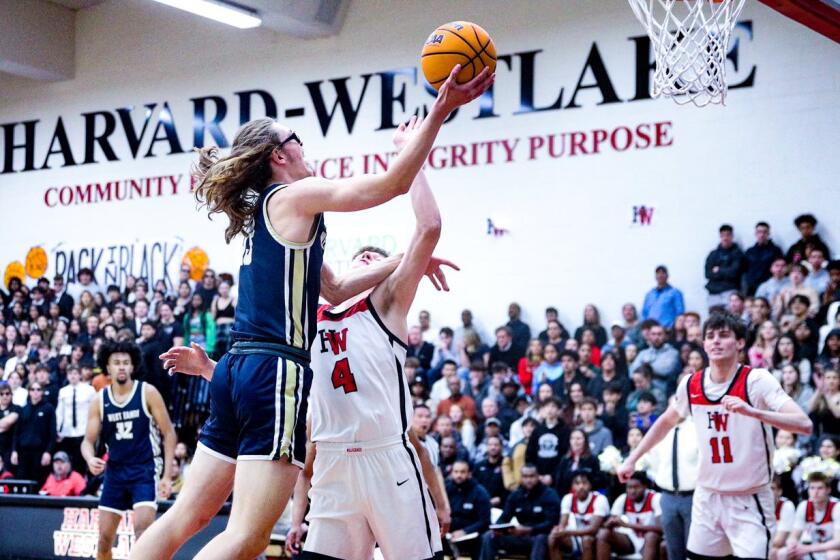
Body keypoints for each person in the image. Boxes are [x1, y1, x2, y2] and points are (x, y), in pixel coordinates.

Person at [133, 68, 492, 560]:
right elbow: (391, 184)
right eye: (296, 139)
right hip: (273, 370)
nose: (305, 146)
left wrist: (404, 261)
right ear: (280, 155)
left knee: (185, 517)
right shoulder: (295, 196)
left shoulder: (271, 214)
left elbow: (337, 286)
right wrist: (439, 111)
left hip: (238, 368)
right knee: (248, 536)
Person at [619, 312, 813, 559]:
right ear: (704, 344)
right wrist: (633, 458)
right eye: (710, 337)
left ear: (740, 343)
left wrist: (753, 412)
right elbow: (666, 421)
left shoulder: (757, 380)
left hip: (749, 497)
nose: (716, 341)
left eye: (724, 335)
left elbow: (804, 424)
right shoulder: (691, 384)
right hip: (708, 496)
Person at [82, 340, 176, 560]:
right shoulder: (100, 400)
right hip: (115, 472)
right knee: (104, 540)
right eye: (116, 362)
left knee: (142, 535)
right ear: (108, 367)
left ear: (133, 366)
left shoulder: (147, 392)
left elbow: (169, 433)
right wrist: (89, 458)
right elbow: (87, 441)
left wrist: (166, 476)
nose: (122, 366)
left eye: (126, 362)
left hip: (144, 469)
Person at [647, 395, 699, 560]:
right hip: (667, 496)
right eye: (674, 405)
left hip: (693, 496)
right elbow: (654, 462)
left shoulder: (697, 429)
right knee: (673, 550)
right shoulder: (661, 431)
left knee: (695, 550)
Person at [479, 463, 560, 560]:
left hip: (540, 536)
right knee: (489, 536)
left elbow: (552, 522)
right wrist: (499, 529)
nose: (529, 480)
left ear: (538, 476)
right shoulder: (515, 495)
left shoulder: (549, 494)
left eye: (532, 476)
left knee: (540, 538)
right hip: (519, 536)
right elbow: (504, 518)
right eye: (525, 477)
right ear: (521, 478)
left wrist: (530, 529)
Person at [597, 471, 662, 560]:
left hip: (653, 541)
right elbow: (608, 523)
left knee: (651, 535)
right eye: (629, 487)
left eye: (636, 487)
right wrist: (610, 523)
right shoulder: (623, 498)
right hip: (632, 539)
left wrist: (627, 525)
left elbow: (661, 528)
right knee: (603, 533)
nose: (632, 491)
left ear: (645, 486)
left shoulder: (655, 498)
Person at [548, 470, 609, 560]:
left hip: (595, 538)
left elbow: (593, 529)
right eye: (577, 483)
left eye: (584, 483)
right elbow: (562, 524)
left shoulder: (600, 499)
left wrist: (567, 532)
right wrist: (558, 531)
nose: (581, 486)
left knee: (586, 539)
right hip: (575, 536)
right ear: (572, 486)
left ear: (590, 485)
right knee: (552, 537)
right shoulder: (568, 498)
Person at [780, 471, 840, 560]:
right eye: (812, 488)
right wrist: (792, 545)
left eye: (820, 488)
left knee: (833, 555)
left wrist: (808, 548)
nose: (815, 492)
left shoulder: (836, 507)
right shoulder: (804, 506)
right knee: (784, 553)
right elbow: (793, 536)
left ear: (828, 490)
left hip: (829, 549)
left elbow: (838, 542)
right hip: (812, 548)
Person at [10, 380, 56, 484]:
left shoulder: (48, 408)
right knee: (21, 482)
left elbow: (52, 434)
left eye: (38, 389)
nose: (35, 392)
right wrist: (14, 450)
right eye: (32, 389)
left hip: (39, 452)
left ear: (42, 392)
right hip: (23, 452)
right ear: (29, 392)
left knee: (37, 483)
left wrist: (48, 452)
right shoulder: (24, 409)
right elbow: (16, 433)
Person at [447, 459, 492, 560]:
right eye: (456, 472)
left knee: (483, 538)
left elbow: (485, 522)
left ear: (469, 474)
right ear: (451, 473)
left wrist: (464, 531)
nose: (459, 475)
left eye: (462, 472)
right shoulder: (447, 489)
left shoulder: (480, 492)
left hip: (472, 534)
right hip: (449, 532)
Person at [55, 364, 96, 473]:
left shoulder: (89, 390)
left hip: (83, 430)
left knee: (81, 462)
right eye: (70, 374)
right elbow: (60, 411)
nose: (72, 376)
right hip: (67, 431)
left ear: (79, 375)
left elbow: (94, 410)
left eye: (75, 373)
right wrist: (58, 430)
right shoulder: (63, 391)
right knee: (68, 461)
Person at [630, 323, 681, 394]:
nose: (656, 337)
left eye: (659, 334)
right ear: (649, 336)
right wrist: (651, 371)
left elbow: (665, 371)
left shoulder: (673, 353)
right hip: (641, 390)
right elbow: (632, 371)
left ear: (665, 336)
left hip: (662, 390)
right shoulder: (643, 353)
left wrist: (645, 367)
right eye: (653, 334)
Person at [705, 224, 745, 309]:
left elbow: (734, 273)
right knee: (714, 320)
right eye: (723, 235)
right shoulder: (713, 254)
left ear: (732, 236)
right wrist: (726, 271)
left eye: (728, 235)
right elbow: (708, 274)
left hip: (730, 290)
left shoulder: (738, 254)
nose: (725, 238)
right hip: (713, 292)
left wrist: (718, 270)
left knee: (730, 318)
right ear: (720, 236)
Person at [744, 222, 785, 296]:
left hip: (769, 287)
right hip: (752, 288)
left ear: (768, 233)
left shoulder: (775, 250)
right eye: (759, 232)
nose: (762, 235)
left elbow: (781, 267)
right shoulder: (749, 251)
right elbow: (744, 270)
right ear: (755, 234)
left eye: (765, 232)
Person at [771, 475, 796, 559]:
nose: (768, 492)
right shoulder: (755, 506)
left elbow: (779, 541)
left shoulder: (786, 505)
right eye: (765, 489)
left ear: (779, 491)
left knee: (772, 552)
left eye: (772, 488)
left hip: (786, 546)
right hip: (770, 545)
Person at [0, 380, 21, 470]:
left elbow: (6, 423)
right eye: (1, 394)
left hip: (10, 447)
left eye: (7, 393)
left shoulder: (16, 408)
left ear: (11, 395)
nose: (5, 396)